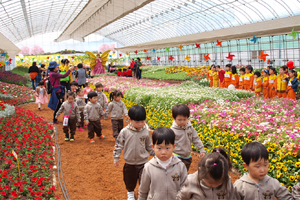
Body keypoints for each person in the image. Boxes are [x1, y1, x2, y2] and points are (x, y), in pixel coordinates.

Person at [113, 105, 155, 200]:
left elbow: (149, 145)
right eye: (137, 122)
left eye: (142, 121)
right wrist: (116, 158)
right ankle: (130, 193)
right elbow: (119, 145)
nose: (140, 124)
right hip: (130, 163)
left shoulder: (145, 132)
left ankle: (142, 194)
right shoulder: (124, 132)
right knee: (129, 180)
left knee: (144, 180)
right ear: (130, 119)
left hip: (143, 162)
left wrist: (155, 154)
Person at [138, 127, 188, 200]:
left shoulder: (180, 166)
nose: (163, 152)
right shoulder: (148, 167)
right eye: (159, 148)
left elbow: (185, 188)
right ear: (153, 147)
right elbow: (143, 191)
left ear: (174, 147)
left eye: (167, 148)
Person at [171, 104, 205, 171]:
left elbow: (196, 138)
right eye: (179, 120)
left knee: (185, 172)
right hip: (176, 156)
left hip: (187, 156)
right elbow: (169, 143)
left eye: (185, 119)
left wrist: (201, 149)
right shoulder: (172, 130)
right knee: (177, 173)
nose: (182, 122)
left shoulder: (190, 128)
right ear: (174, 118)